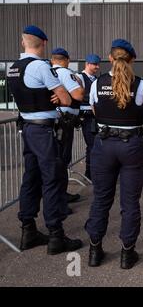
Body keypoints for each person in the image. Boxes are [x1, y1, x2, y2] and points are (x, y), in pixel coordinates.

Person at [7, 25, 83, 255]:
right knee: (52, 179)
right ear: (44, 43)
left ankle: (28, 230)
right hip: (43, 130)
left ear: (23, 43)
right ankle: (55, 235)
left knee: (31, 178)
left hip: (28, 128)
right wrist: (62, 97)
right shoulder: (40, 66)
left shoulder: (13, 68)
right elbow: (67, 100)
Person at [85, 39, 143, 269]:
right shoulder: (142, 85)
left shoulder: (97, 84)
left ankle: (94, 252)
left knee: (101, 199)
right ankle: (127, 254)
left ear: (110, 58)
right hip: (132, 145)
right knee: (130, 202)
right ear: (132, 59)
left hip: (103, 146)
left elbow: (95, 112)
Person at [51, 48, 85, 209]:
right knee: (62, 160)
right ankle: (60, 200)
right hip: (64, 122)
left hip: (52, 121)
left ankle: (58, 197)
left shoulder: (48, 71)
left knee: (56, 160)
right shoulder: (65, 73)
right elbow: (78, 95)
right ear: (67, 59)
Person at [76, 54, 100, 180]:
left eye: (97, 64)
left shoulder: (96, 79)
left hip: (95, 116)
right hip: (86, 116)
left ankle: (93, 171)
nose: (97, 66)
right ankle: (90, 173)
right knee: (92, 145)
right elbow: (78, 96)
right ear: (87, 63)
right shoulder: (80, 77)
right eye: (94, 64)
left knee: (95, 145)